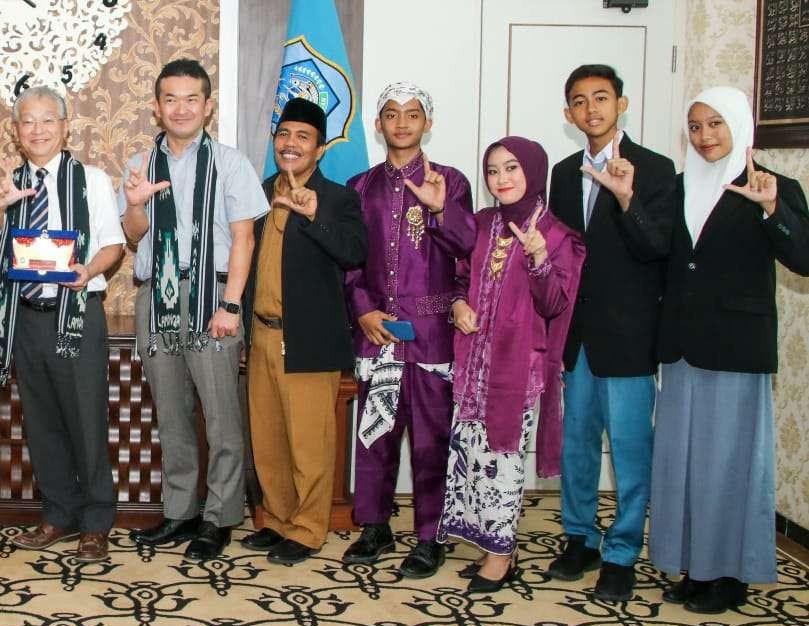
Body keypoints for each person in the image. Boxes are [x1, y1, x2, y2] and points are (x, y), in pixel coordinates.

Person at [649, 88, 809, 614]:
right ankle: (695, 565)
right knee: (684, 462)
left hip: (735, 348)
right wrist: (629, 204)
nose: (705, 136)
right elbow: (657, 254)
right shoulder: (678, 187)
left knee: (728, 466)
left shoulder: (775, 186)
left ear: (739, 126)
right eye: (695, 127)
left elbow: (803, 256)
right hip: (681, 346)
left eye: (716, 124)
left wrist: (770, 209)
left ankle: (730, 574)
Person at [120, 59, 268, 562]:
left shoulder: (231, 163)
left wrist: (232, 305)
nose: (180, 108)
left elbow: (245, 239)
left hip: (213, 297)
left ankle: (220, 516)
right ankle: (181, 512)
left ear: (207, 105)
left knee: (222, 415)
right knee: (173, 412)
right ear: (156, 107)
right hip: (156, 295)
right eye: (170, 99)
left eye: (191, 99)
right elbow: (133, 236)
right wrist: (137, 202)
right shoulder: (141, 163)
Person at [0, 86, 125, 562]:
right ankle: (58, 513)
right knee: (42, 423)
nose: (37, 130)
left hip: (76, 313)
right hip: (26, 319)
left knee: (86, 419)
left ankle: (97, 521)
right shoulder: (7, 182)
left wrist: (89, 271)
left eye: (46, 120)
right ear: (16, 133)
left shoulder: (92, 180)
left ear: (64, 127)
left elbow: (113, 245)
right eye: (27, 122)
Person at [545, 65, 675, 603]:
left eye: (601, 98)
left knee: (628, 448)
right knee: (576, 445)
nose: (591, 108)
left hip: (628, 336)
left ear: (622, 104)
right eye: (580, 101)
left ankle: (622, 552)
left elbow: (657, 247)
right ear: (569, 114)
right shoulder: (562, 171)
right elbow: (557, 255)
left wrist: (625, 198)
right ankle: (581, 537)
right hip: (575, 336)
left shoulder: (656, 168)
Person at [340, 83, 474, 577]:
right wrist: (363, 311)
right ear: (378, 124)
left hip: (431, 332)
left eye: (412, 114)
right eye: (391, 114)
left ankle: (429, 534)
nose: (401, 123)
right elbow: (350, 262)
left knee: (430, 437)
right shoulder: (359, 186)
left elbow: (467, 249)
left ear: (427, 123)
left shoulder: (451, 181)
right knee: (373, 433)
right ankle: (374, 526)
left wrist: (439, 208)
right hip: (377, 331)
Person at [439, 136, 584, 594]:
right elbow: (459, 274)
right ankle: (493, 545)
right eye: (493, 170)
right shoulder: (483, 224)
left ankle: (501, 555)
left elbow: (558, 303)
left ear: (534, 172)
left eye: (512, 168)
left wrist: (539, 256)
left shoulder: (559, 235)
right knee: (473, 454)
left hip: (518, 365)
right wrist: (458, 304)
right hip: (473, 363)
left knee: (503, 459)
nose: (501, 179)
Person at [241, 97, 367, 565]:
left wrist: (315, 215)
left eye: (303, 137)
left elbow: (355, 252)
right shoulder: (259, 190)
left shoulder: (338, 197)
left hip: (310, 338)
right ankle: (275, 519)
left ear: (318, 148)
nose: (290, 144)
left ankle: (309, 528)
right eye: (284, 135)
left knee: (310, 444)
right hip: (262, 335)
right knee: (268, 440)